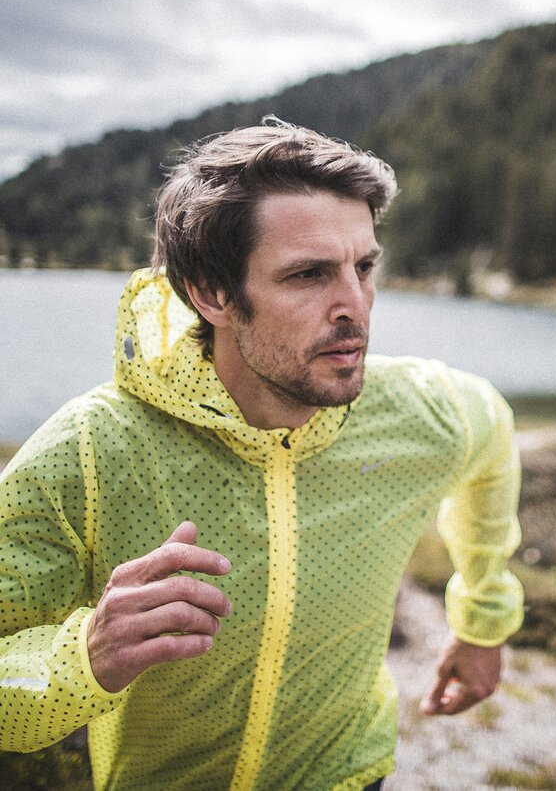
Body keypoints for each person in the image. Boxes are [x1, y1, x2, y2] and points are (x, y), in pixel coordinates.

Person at [0, 118, 524, 789]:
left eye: (364, 267)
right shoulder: (92, 451)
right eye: (308, 275)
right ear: (211, 293)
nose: (355, 307)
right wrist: (85, 658)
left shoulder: (426, 410)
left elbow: (494, 440)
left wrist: (483, 619)